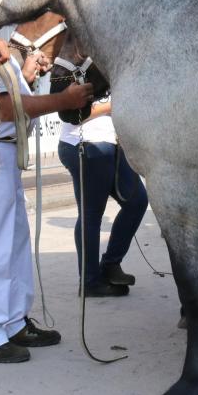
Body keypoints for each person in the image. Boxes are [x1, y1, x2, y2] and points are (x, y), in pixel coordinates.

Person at [0, 30, 93, 363]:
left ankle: (12, 322)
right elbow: (2, 109)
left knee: (13, 243)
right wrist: (63, 102)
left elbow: (4, 98)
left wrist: (23, 77)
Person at [57, 98, 149, 297]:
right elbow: (72, 115)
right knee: (91, 215)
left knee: (137, 201)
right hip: (86, 144)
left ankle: (110, 264)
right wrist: (115, 104)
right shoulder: (75, 67)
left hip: (111, 144)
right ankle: (90, 281)